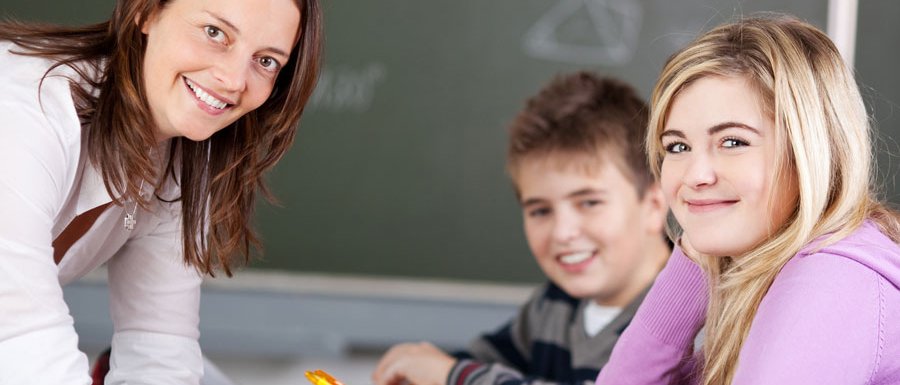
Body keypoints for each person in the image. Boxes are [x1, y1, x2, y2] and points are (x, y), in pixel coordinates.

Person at [0, 0, 322, 383]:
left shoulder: (181, 156)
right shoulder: (26, 106)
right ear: (146, 11)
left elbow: (158, 349)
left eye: (266, 60)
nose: (235, 79)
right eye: (215, 33)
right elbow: (21, 328)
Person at [595, 14, 900, 385]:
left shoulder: (832, 280)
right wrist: (693, 260)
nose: (695, 175)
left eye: (733, 142)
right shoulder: (763, 265)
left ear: (811, 150)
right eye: (677, 146)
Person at [372, 72, 671, 385]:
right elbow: (479, 362)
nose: (562, 233)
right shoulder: (553, 306)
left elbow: (459, 375)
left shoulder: (685, 320)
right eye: (540, 210)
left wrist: (452, 375)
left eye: (589, 203)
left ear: (653, 204)